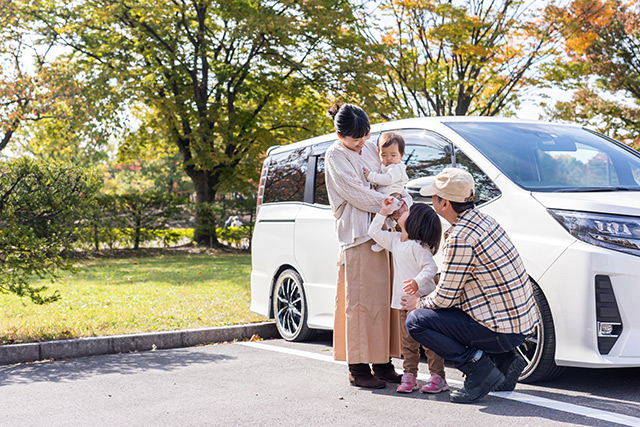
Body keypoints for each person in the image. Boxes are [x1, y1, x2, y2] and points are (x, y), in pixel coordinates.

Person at [401, 168, 539, 404]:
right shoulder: (486, 221)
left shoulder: (461, 236)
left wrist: (418, 303)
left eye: (434, 196)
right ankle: (505, 360)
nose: (432, 200)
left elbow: (445, 298)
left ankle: (479, 369)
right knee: (445, 309)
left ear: (444, 203)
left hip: (501, 332)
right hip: (522, 327)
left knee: (417, 321)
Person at [324, 103, 411, 389]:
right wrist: (391, 207)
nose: (361, 142)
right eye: (354, 138)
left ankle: (382, 362)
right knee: (361, 303)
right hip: (359, 235)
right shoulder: (336, 154)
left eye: (364, 135)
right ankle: (358, 367)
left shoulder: (373, 146)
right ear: (340, 135)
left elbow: (393, 175)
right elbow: (356, 194)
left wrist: (399, 203)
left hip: (383, 232)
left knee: (384, 301)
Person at [368, 198, 449, 394]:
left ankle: (438, 377)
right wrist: (383, 211)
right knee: (408, 344)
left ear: (415, 221)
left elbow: (431, 267)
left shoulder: (418, 246)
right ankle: (409, 376)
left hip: (423, 303)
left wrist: (417, 282)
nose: (402, 210)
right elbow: (373, 233)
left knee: (431, 344)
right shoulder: (396, 241)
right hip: (404, 303)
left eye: (408, 211)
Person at [363, 132, 409, 199]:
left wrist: (371, 175)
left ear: (401, 155)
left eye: (393, 155)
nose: (388, 158)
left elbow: (388, 179)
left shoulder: (397, 167)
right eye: (384, 155)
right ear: (379, 153)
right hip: (383, 195)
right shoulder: (384, 166)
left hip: (392, 194)